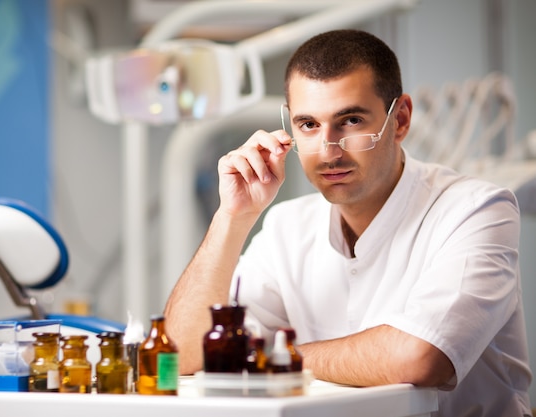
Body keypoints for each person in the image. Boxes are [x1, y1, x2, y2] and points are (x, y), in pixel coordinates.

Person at [163, 29, 532, 416]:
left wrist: (273, 357)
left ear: (401, 119)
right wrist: (232, 217)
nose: (329, 152)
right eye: (308, 125)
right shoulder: (286, 226)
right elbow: (182, 356)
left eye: (351, 120)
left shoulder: (475, 210)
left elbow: (420, 358)